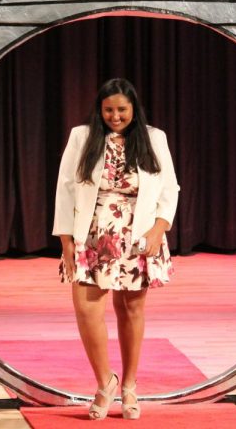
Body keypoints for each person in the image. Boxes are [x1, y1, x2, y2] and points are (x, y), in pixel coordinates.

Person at [53, 78, 179, 420]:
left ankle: (130, 386)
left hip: (137, 235)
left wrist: (159, 229)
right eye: (109, 109)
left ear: (133, 108)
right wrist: (66, 240)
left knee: (131, 310)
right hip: (91, 235)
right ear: (100, 109)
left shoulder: (155, 138)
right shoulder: (82, 136)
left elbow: (170, 189)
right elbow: (65, 189)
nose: (115, 116)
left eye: (122, 109)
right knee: (86, 309)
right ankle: (105, 381)